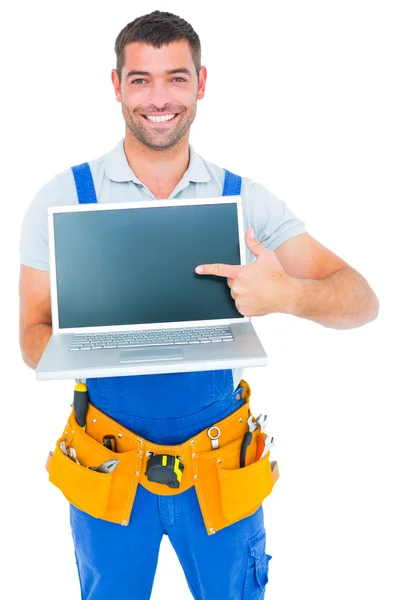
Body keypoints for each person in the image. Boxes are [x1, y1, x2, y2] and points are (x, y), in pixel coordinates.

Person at [18, 10, 379, 600]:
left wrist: (287, 294)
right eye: (140, 79)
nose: (158, 98)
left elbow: (362, 301)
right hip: (106, 466)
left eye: (176, 78)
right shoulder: (63, 200)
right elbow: (32, 332)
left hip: (220, 469)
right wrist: (84, 351)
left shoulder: (244, 202)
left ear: (201, 83)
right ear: (116, 86)